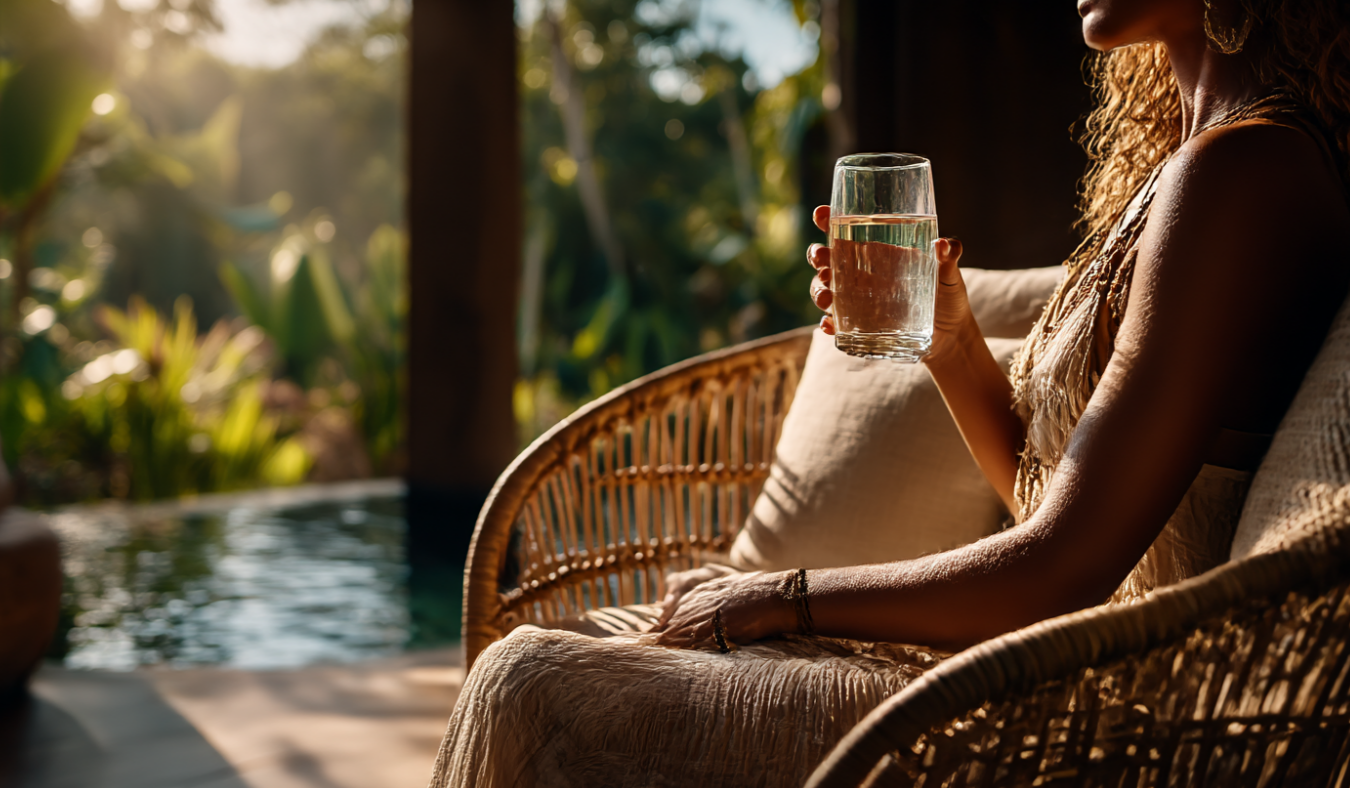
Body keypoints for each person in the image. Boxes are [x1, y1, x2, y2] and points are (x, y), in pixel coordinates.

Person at [430, 1, 1350, 785]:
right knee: (584, 658)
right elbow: (1053, 494)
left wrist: (769, 597)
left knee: (529, 681)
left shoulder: (1241, 176)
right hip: (1040, 669)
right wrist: (949, 341)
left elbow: (1061, 572)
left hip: (1084, 713)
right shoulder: (1201, 162)